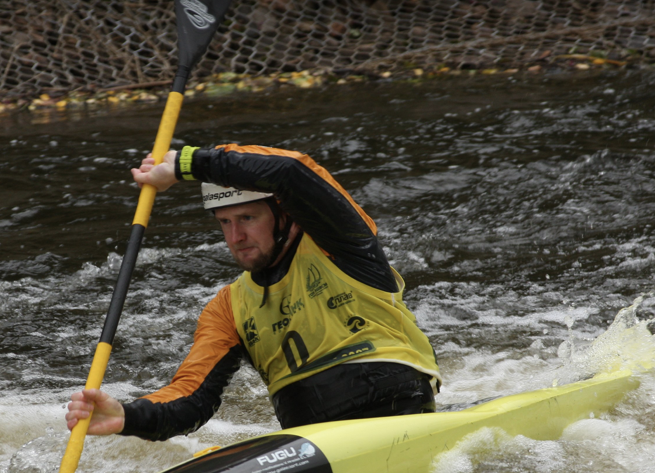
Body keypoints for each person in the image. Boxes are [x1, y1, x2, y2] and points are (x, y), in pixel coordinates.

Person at [65, 144, 441, 440]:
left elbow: (292, 172)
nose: (236, 237)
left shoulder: (341, 243)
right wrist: (127, 415)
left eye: (248, 218)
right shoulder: (228, 307)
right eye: (225, 222)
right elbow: (192, 398)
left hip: (395, 407)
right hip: (311, 437)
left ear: (284, 215)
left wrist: (187, 164)